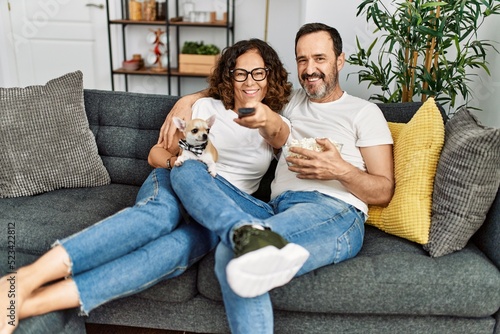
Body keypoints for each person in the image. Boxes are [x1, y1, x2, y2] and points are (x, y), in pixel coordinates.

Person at [0, 38, 292, 334]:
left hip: (219, 205)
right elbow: (158, 153)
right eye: (240, 73)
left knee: (177, 249)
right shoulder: (205, 106)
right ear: (230, 76)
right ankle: (25, 279)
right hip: (179, 176)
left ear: (270, 76)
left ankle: (32, 304)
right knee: (160, 215)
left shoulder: (275, 121)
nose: (249, 81)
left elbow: (277, 131)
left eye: (259, 72)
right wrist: (179, 152)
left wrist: (255, 112)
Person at [160, 22, 395, 333]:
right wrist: (189, 99)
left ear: (340, 60)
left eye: (320, 58)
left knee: (237, 254)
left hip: (333, 210)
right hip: (276, 208)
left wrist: (338, 169)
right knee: (191, 172)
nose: (310, 69)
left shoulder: (363, 112)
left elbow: (384, 190)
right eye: (302, 60)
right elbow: (239, 82)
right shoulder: (290, 101)